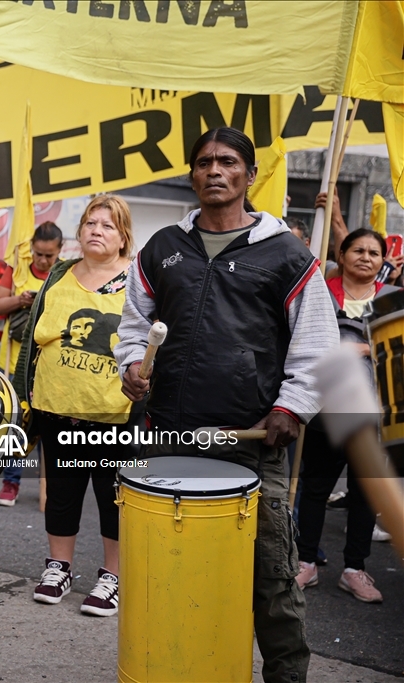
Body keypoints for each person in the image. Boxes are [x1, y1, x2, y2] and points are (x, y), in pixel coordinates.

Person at [115, 127, 339, 683]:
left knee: (272, 580)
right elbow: (134, 324)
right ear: (192, 175)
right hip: (168, 435)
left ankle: (287, 675)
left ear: (249, 173)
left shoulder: (287, 254)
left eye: (228, 161)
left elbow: (316, 344)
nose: (214, 170)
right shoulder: (162, 248)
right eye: (204, 162)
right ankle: (181, 666)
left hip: (250, 445)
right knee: (172, 565)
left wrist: (291, 407)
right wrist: (129, 367)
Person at [11, 195, 133, 617]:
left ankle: (112, 576)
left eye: (108, 225)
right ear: (78, 232)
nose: (96, 230)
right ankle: (58, 568)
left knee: (112, 498)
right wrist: (24, 395)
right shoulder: (60, 274)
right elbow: (32, 341)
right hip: (55, 407)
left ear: (123, 238)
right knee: (61, 495)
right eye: (90, 223)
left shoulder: (138, 282)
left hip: (114, 415)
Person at [295, 228, 396, 603]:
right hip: (326, 411)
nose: (366, 257)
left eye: (374, 252)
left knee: (365, 493)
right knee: (316, 488)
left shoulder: (393, 301)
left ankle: (355, 569)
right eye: (358, 250)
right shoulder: (321, 293)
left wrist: (366, 348)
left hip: (375, 414)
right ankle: (305, 562)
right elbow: (302, 339)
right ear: (343, 252)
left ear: (383, 261)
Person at [0, 221, 62, 505]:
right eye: (38, 254)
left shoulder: (64, 272)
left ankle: (51, 487)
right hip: (14, 361)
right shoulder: (16, 269)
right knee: (15, 424)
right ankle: (10, 481)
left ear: (60, 251)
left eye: (49, 255)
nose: (43, 260)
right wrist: (19, 300)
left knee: (49, 426)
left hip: (49, 365)